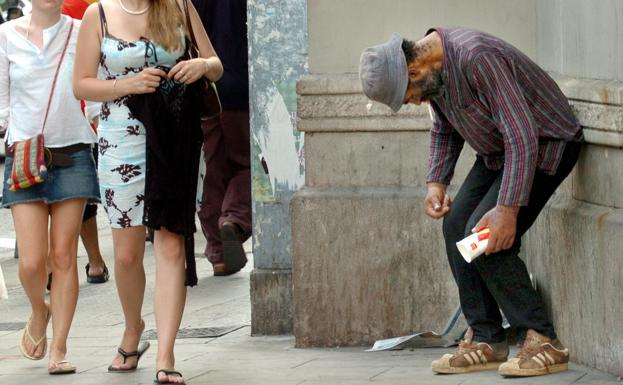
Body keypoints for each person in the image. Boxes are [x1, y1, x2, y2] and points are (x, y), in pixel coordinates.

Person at [359, 28, 583, 377]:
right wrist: (436, 182)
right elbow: (444, 129)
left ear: (414, 72)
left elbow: (521, 134)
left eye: (409, 97)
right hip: (499, 155)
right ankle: (486, 337)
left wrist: (507, 210)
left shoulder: (476, 58)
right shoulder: (433, 71)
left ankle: (542, 339)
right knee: (455, 225)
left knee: (482, 236)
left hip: (545, 146)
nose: (416, 103)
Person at [73, 0, 223, 383]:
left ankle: (166, 355)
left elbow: (215, 64)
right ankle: (132, 328)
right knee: (126, 256)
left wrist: (201, 66)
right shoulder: (99, 13)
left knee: (171, 244)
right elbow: (81, 83)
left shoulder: (179, 5)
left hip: (174, 138)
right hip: (120, 141)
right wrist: (127, 84)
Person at [0, 0, 99, 374]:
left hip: (72, 152)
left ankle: (59, 348)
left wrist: (98, 122)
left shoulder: (81, 31)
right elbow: (2, 104)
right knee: (30, 262)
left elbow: (92, 87)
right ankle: (39, 311)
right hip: (25, 154)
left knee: (63, 257)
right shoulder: (5, 36)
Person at [193, 0, 251, 276]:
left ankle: (218, 252)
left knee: (214, 164)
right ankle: (234, 219)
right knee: (247, 162)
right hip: (242, 83)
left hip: (203, 85)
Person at [62, 0, 109, 284]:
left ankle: (54, 264)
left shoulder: (70, 8)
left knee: (68, 195)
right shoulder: (89, 7)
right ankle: (94, 260)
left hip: (77, 110)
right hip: (84, 112)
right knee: (81, 197)